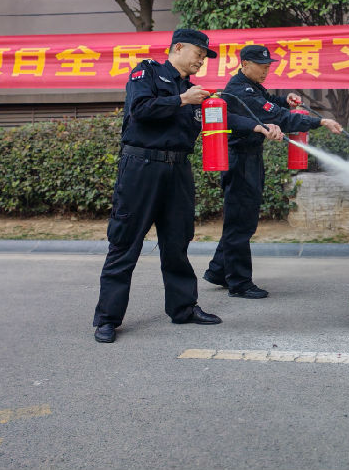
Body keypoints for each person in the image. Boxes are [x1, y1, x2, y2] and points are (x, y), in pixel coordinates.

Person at [92, 29, 273, 343]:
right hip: (142, 167)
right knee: (125, 243)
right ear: (178, 47)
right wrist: (181, 100)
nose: (201, 61)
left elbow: (221, 118)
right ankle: (107, 319)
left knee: (177, 242)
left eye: (204, 57)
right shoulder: (147, 73)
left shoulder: (193, 92)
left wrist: (257, 125)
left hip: (178, 170)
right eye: (198, 54)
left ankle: (183, 308)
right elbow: (140, 110)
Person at [202, 44, 343, 298]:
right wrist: (319, 121)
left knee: (241, 218)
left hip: (249, 157)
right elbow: (278, 117)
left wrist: (285, 100)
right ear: (245, 64)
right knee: (241, 221)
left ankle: (219, 271)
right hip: (239, 160)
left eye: (268, 66)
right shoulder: (241, 90)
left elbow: (269, 104)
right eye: (261, 66)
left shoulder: (251, 86)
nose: (266, 70)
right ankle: (239, 283)